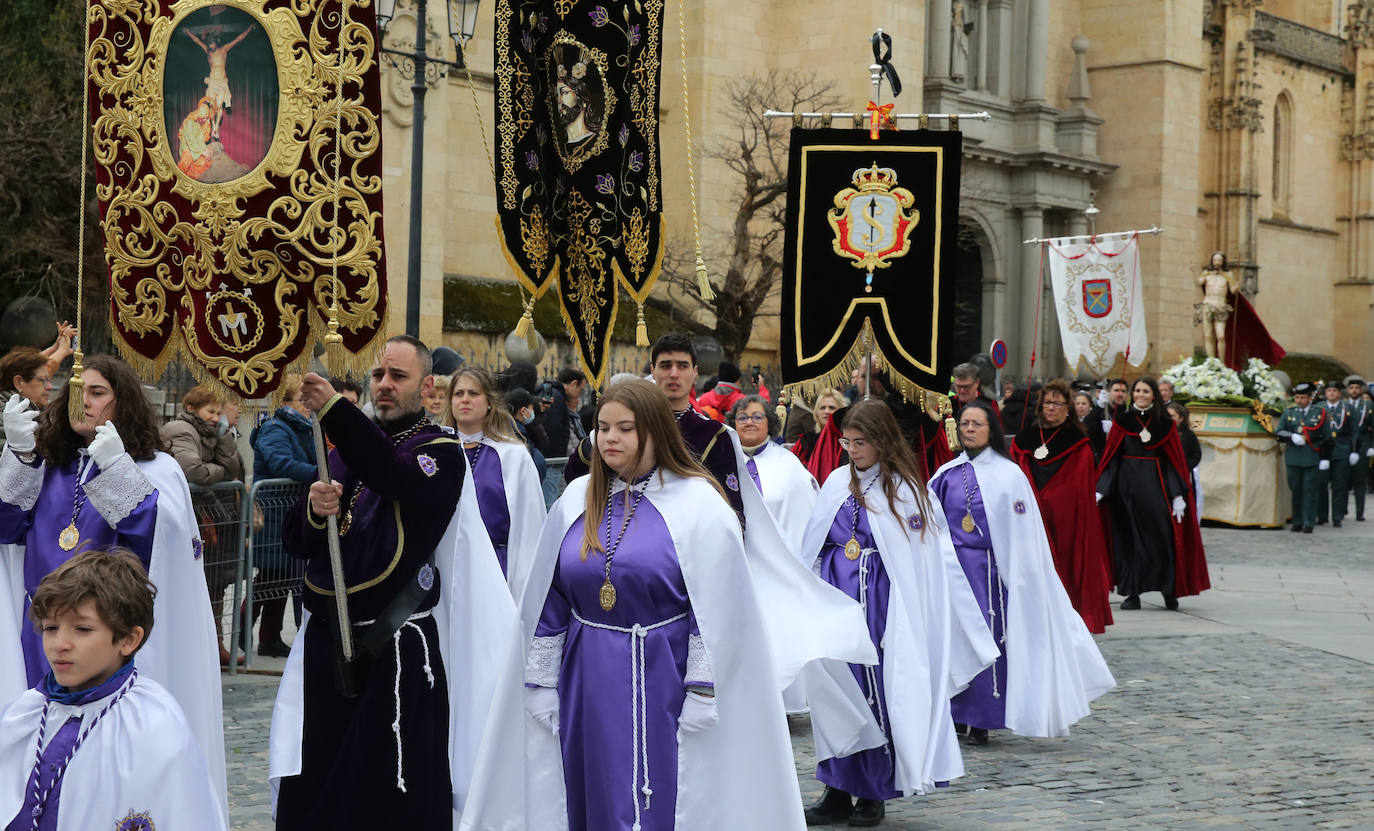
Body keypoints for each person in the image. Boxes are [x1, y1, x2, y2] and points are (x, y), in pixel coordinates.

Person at [520, 379, 814, 830]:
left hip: (664, 673)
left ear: (655, 432)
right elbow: (552, 595)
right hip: (586, 673)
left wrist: (701, 687)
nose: (610, 439)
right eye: (602, 428)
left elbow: (717, 608)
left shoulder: (700, 506)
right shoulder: (575, 502)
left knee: (662, 788)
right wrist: (541, 680)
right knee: (592, 781)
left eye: (625, 429)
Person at [270, 335, 524, 831]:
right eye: (378, 376)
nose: (384, 386)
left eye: (398, 377)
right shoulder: (345, 451)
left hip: (393, 649)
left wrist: (337, 417)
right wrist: (313, 510)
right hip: (325, 642)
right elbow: (300, 544)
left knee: (383, 790)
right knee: (319, 783)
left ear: (427, 387)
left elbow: (395, 476)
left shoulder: (441, 451)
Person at [0, 354, 225, 803]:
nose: (84, 401)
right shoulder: (50, 466)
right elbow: (8, 527)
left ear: (123, 403)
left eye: (98, 392)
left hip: (111, 640)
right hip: (42, 634)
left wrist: (117, 468)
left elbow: (160, 547)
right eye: (76, 391)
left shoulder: (155, 468)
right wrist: (21, 454)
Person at [800, 400, 998, 826]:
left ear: (882, 441)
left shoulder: (905, 490)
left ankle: (873, 791)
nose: (852, 451)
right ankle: (836, 788)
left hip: (881, 609)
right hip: (838, 603)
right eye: (846, 442)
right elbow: (813, 545)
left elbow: (921, 562)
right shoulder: (836, 482)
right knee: (836, 694)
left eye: (861, 442)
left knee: (877, 697)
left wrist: (904, 616)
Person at [0, 550, 227, 831]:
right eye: (51, 627)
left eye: (82, 629)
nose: (60, 644)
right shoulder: (24, 714)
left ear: (128, 639)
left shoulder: (154, 726)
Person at [933, 401, 1114, 746]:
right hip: (952, 573)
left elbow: (1022, 534)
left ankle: (982, 717)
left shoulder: (1009, 474)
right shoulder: (945, 475)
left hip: (989, 577)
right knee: (953, 640)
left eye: (977, 424)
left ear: (991, 431)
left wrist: (1022, 577)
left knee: (987, 641)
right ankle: (954, 713)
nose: (969, 428)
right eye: (965, 423)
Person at [1010, 379, 1114, 634]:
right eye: (1048, 402)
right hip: (1031, 514)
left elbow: (1078, 483)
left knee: (1065, 564)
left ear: (1068, 408)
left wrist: (1053, 499)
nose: (1052, 407)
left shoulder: (1077, 442)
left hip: (1065, 519)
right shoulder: (1026, 439)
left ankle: (1065, 615)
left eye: (1058, 403)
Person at [1095, 377, 1209, 610]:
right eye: (1136, 390)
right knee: (1129, 541)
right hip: (1126, 491)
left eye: (1145, 391)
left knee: (1162, 537)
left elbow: (1172, 462)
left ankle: (1168, 589)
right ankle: (1132, 593)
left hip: (1156, 488)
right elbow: (1111, 459)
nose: (1140, 394)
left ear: (1154, 395)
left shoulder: (1164, 423)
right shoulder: (1123, 421)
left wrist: (1177, 495)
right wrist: (1102, 488)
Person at [440, 366, 546, 592]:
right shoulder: (437, 452)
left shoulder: (513, 455)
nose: (465, 400)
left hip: (496, 571)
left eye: (473, 393)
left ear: (489, 401)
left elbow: (530, 530)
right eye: (459, 394)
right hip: (446, 569)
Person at [160, 384, 244, 667]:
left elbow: (232, 467)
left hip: (212, 516)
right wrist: (220, 474)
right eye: (211, 411)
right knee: (194, 583)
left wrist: (223, 438)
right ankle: (192, 646)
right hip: (192, 515)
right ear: (191, 409)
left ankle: (214, 642)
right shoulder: (180, 430)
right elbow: (193, 471)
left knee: (216, 584)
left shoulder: (213, 433)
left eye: (219, 412)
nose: (215, 417)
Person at [246, 374, 317, 659]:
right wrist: (318, 475)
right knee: (269, 578)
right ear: (285, 402)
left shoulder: (299, 427)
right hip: (275, 511)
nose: (308, 406)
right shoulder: (275, 428)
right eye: (303, 400)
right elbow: (281, 463)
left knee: (282, 577)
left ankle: (270, 638)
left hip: (289, 510)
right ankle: (242, 629)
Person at [729, 395, 818, 550]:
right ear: (734, 423)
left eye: (757, 417)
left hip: (779, 554)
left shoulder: (789, 464)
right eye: (742, 418)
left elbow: (804, 513)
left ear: (769, 422)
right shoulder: (723, 460)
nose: (749, 422)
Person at [1275, 382, 1333, 533]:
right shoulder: (1289, 412)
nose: (1299, 400)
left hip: (1311, 455)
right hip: (1294, 456)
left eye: (1303, 397)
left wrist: (1324, 457)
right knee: (1296, 490)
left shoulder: (1319, 413)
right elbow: (1279, 432)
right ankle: (1297, 521)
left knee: (1310, 491)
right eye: (1297, 397)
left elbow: (1327, 436)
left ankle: (1308, 522)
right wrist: (1291, 436)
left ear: (1309, 398)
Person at [185, 25, 255, 140]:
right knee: (212, 106)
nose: (210, 46)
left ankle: (216, 127)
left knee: (219, 107)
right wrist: (188, 32)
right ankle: (213, 127)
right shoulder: (208, 52)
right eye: (209, 44)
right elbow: (197, 41)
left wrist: (248, 30)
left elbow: (237, 40)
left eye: (211, 44)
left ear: (216, 43)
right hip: (212, 82)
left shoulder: (223, 50)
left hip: (222, 82)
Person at [1317, 381, 1355, 527]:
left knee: (1339, 485)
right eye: (1329, 390)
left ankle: (1337, 516)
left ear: (1340, 393)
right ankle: (1322, 515)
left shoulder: (1347, 408)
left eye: (1334, 390)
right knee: (1321, 484)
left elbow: (1353, 431)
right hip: (1323, 451)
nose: (1331, 393)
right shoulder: (1319, 408)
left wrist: (1353, 450)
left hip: (1341, 449)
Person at [1195, 251, 1241, 360]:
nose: (1217, 262)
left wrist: (1237, 286)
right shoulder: (1206, 273)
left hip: (1221, 305)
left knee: (1220, 336)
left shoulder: (1227, 275)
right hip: (1208, 305)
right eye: (1215, 260)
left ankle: (1221, 362)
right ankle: (1211, 362)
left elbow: (1233, 291)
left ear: (1223, 262)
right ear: (1212, 261)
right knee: (1208, 335)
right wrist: (1193, 272)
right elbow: (1197, 283)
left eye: (1219, 260)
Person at [1167, 401, 1203, 516]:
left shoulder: (1189, 435)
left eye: (1172, 416)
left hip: (1183, 474)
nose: (1168, 419)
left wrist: (1184, 466)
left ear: (1181, 418)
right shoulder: (1163, 433)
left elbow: (1196, 454)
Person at [544, 367, 587, 464]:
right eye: (580, 390)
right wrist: (558, 458)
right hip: (554, 460)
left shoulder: (554, 395)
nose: (578, 395)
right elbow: (554, 430)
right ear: (574, 384)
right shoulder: (557, 399)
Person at [1345, 375, 1373, 521]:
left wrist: (1372, 445)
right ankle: (1341, 511)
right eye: (1351, 388)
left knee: (1359, 480)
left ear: (1361, 390)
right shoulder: (1343, 405)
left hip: (1363, 443)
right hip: (1345, 443)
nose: (1354, 390)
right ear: (1347, 390)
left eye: (1357, 388)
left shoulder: (1368, 406)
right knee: (1342, 479)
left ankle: (1360, 512)